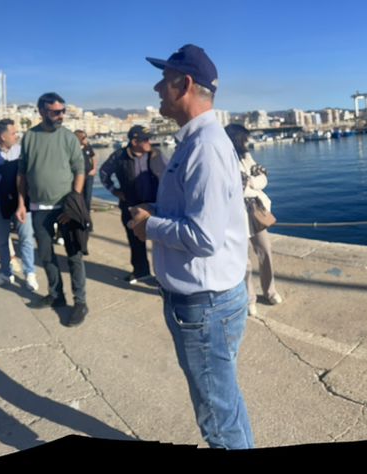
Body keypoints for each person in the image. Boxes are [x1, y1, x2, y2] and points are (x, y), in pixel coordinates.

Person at [126, 44, 255, 450]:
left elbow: (204, 237)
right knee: (224, 405)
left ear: (183, 84)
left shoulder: (205, 147)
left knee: (217, 420)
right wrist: (158, 211)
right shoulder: (196, 142)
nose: (156, 88)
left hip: (204, 307)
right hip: (206, 303)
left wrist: (150, 226)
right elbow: (199, 214)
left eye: (163, 80)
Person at [18, 92, 90, 325]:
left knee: (74, 255)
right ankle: (56, 295)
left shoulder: (68, 137)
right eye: (55, 112)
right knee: (46, 254)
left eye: (62, 111)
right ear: (42, 111)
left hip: (66, 207)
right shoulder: (29, 137)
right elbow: (22, 173)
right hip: (39, 207)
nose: (61, 116)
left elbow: (80, 170)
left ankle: (80, 302)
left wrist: (74, 203)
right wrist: (21, 203)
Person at [99, 125, 166, 287]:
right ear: (135, 142)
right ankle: (141, 272)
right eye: (146, 139)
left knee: (161, 242)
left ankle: (165, 276)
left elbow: (171, 174)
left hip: (156, 205)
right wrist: (115, 191)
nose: (149, 142)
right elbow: (103, 173)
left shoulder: (156, 154)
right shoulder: (119, 156)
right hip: (131, 206)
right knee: (135, 241)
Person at [225, 124, 282, 307]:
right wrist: (251, 185)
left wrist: (250, 182)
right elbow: (233, 190)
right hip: (235, 215)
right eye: (245, 138)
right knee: (244, 261)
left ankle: (270, 291)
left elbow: (263, 178)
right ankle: (250, 298)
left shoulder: (246, 157)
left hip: (255, 212)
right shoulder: (223, 159)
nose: (247, 141)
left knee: (265, 250)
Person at [0, 119, 37, 291]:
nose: (16, 136)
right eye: (13, 133)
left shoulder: (21, 151)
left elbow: (28, 173)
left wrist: (12, 175)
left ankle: (30, 273)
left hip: (20, 199)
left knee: (26, 238)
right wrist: (16, 175)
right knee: (2, 240)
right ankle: (6, 273)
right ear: (3, 136)